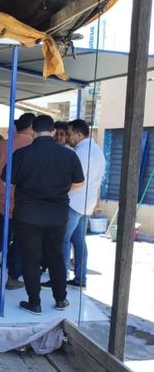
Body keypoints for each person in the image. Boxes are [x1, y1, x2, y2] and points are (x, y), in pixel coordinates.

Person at [3, 115, 84, 315]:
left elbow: (6, 180)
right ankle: (60, 299)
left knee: (31, 257)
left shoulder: (22, 154)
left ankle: (34, 302)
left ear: (32, 131)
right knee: (56, 255)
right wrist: (59, 192)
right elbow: (79, 182)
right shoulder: (68, 155)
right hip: (57, 214)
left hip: (28, 214)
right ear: (54, 131)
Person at [0, 113, 35, 288]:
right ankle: (12, 277)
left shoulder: (4, 145)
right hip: (26, 203)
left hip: (2, 200)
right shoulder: (34, 145)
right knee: (19, 241)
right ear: (32, 127)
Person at [62, 119, 105, 287]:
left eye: (70, 134)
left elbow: (76, 180)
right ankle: (80, 278)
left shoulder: (80, 153)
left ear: (79, 134)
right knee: (79, 242)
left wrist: (60, 193)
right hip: (87, 203)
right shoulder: (97, 150)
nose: (67, 137)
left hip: (73, 202)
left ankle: (61, 279)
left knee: (63, 240)